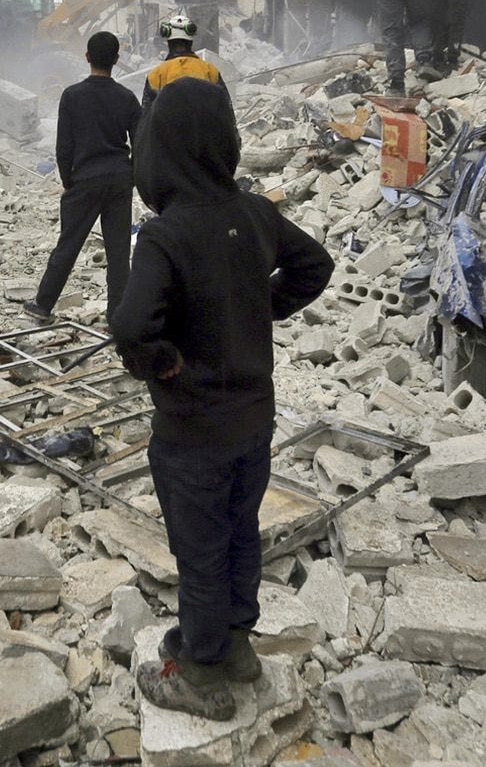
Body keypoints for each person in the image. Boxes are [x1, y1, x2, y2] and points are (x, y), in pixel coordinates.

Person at [110, 77, 334, 719]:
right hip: (253, 425)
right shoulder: (255, 213)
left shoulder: (165, 235)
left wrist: (160, 361)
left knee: (200, 550)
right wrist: (258, 306)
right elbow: (314, 266)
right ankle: (236, 645)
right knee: (240, 535)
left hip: (192, 432)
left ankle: (201, 674)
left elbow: (129, 326)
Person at [22, 31, 141, 321]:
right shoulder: (126, 98)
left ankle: (43, 305)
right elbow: (141, 142)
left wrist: (68, 180)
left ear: (86, 57)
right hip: (119, 181)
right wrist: (132, 176)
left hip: (84, 180)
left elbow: (64, 145)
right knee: (118, 253)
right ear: (116, 59)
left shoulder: (72, 96)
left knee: (68, 245)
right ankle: (117, 317)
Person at [141, 12, 227, 110]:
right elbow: (225, 109)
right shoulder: (210, 71)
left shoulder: (155, 75)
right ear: (191, 42)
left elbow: (145, 116)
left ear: (168, 44)